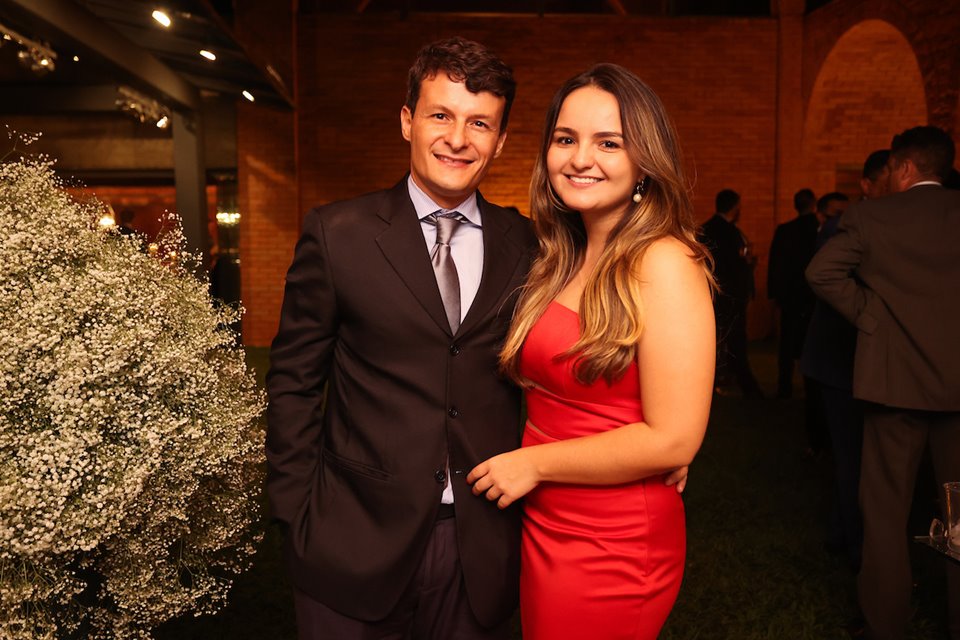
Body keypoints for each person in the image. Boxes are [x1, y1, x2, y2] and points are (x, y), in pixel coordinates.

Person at [265, 37, 535, 640]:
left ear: (500, 140)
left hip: (480, 545)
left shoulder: (528, 245)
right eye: (441, 115)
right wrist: (295, 514)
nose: (458, 138)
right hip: (350, 538)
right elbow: (292, 381)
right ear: (408, 121)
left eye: (479, 123)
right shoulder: (339, 234)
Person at [467, 63, 715, 640]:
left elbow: (675, 437)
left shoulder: (663, 263)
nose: (581, 159)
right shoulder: (562, 254)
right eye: (565, 139)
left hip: (614, 537)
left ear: (644, 162)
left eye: (609, 142)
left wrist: (531, 464)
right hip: (546, 519)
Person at [807, 126, 960, 640]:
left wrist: (872, 318)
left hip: (895, 385)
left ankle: (886, 626)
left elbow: (822, 273)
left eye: (893, 168)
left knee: (887, 511)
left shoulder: (871, 216)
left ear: (906, 168)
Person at [799, 191, 860, 568]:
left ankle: (844, 531)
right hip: (840, 360)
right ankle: (853, 541)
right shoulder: (845, 229)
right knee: (852, 456)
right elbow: (818, 273)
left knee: (851, 456)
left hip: (851, 360)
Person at [699, 189, 763, 397]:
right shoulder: (731, 233)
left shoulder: (704, 229)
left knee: (712, 340)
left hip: (710, 294)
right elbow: (734, 266)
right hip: (730, 296)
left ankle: (715, 382)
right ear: (735, 208)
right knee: (734, 339)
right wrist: (747, 264)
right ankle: (746, 384)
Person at [767, 188, 818, 399]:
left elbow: (775, 263)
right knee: (811, 342)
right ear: (813, 204)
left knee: (787, 343)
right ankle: (811, 387)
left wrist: (774, 293)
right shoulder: (818, 228)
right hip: (812, 296)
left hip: (789, 295)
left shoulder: (785, 230)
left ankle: (784, 385)